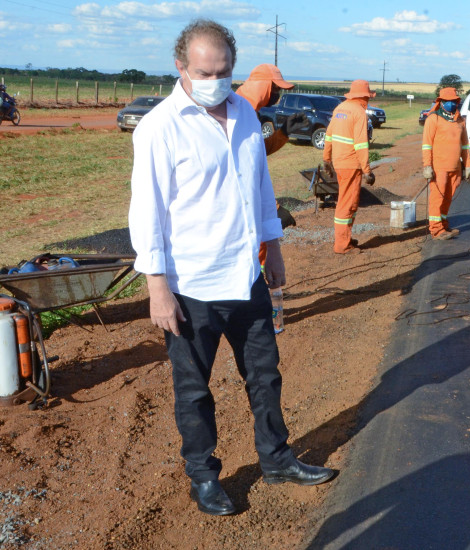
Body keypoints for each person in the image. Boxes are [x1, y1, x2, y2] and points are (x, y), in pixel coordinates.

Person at [128, 19, 335, 516]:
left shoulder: (243, 112)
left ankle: (277, 458)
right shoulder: (160, 126)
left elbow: (260, 185)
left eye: (224, 71)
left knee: (265, 375)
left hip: (245, 276)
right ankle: (204, 477)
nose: (215, 80)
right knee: (194, 390)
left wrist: (275, 248)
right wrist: (157, 286)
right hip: (189, 285)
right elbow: (146, 210)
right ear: (181, 67)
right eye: (204, 71)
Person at [236, 64, 306, 265]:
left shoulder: (250, 111)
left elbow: (257, 152)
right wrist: (272, 209)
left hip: (252, 197)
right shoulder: (240, 112)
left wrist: (284, 132)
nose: (277, 95)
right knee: (253, 249)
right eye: (275, 89)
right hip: (245, 199)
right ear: (263, 86)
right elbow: (242, 169)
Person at [321, 80, 376, 254]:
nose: (368, 100)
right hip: (351, 164)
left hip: (339, 162)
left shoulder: (340, 109)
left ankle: (345, 238)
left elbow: (328, 136)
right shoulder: (359, 112)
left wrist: (327, 159)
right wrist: (367, 170)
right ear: (364, 96)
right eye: (367, 97)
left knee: (345, 202)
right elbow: (361, 145)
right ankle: (342, 245)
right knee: (348, 204)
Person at [421, 87, 470, 240]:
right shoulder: (433, 119)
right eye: (447, 101)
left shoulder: (460, 120)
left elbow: (465, 145)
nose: (451, 104)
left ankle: (443, 224)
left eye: (454, 101)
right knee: (437, 198)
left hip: (455, 167)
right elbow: (426, 145)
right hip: (438, 168)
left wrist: (468, 165)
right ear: (440, 102)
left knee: (448, 198)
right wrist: (427, 166)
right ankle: (436, 230)